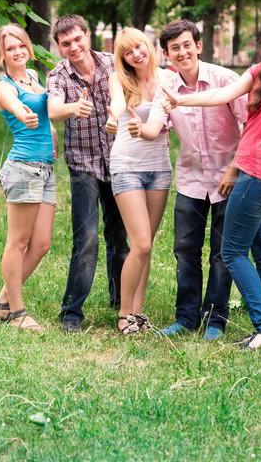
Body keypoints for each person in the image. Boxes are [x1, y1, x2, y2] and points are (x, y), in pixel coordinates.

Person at [162, 11, 261, 351]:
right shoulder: (258, 74)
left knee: (232, 252)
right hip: (248, 170)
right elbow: (220, 96)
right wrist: (180, 99)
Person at [128, 19, 248, 340]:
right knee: (185, 249)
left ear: (198, 46)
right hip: (191, 180)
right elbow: (155, 123)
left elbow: (250, 125)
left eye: (186, 45)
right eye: (174, 49)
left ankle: (215, 320)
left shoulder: (226, 80)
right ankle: (186, 318)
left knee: (222, 253)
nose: (182, 53)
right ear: (166, 55)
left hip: (229, 179)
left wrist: (235, 168)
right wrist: (139, 129)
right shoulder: (166, 88)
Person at [47, 15, 129, 333]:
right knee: (87, 239)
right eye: (66, 43)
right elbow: (54, 109)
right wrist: (73, 109)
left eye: (77, 39)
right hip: (83, 164)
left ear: (87, 36)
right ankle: (71, 313)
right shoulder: (58, 74)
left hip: (119, 159)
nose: (74, 47)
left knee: (118, 237)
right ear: (59, 46)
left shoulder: (112, 62)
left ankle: (120, 300)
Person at [0, 24, 58, 332]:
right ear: (1, 55)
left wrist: (52, 129)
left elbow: (44, 111)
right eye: (9, 49)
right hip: (24, 168)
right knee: (18, 242)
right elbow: (16, 105)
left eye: (20, 46)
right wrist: (23, 114)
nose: (16, 52)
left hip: (45, 168)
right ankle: (17, 313)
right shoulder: (4, 85)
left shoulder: (33, 78)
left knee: (41, 244)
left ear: (29, 48)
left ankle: (2, 303)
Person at [105, 27, 175, 335]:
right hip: (127, 166)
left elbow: (162, 122)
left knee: (146, 246)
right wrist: (114, 117)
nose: (136, 54)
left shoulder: (168, 80)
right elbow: (119, 103)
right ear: (124, 59)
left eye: (138, 46)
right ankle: (123, 316)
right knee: (141, 243)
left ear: (147, 45)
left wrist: (144, 127)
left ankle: (137, 312)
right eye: (128, 52)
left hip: (159, 168)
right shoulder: (119, 79)